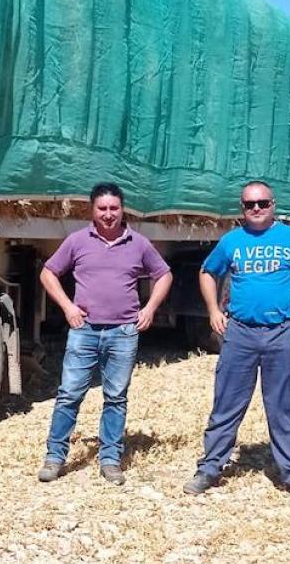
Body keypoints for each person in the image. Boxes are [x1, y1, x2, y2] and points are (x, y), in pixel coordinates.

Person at [182, 180, 290, 502]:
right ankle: (210, 468)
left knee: (284, 405)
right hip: (240, 333)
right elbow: (207, 272)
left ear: (273, 205)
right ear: (242, 208)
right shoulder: (232, 241)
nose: (256, 209)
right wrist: (213, 310)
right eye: (250, 204)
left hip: (280, 333)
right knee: (226, 402)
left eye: (262, 203)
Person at [37, 183, 173, 484]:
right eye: (102, 208)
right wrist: (68, 307)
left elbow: (163, 274)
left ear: (122, 210)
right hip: (84, 331)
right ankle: (54, 457)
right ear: (92, 210)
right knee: (69, 394)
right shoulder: (77, 241)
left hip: (123, 332)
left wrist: (150, 308)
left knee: (116, 397)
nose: (108, 214)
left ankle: (110, 458)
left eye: (114, 208)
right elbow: (48, 273)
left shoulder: (138, 243)